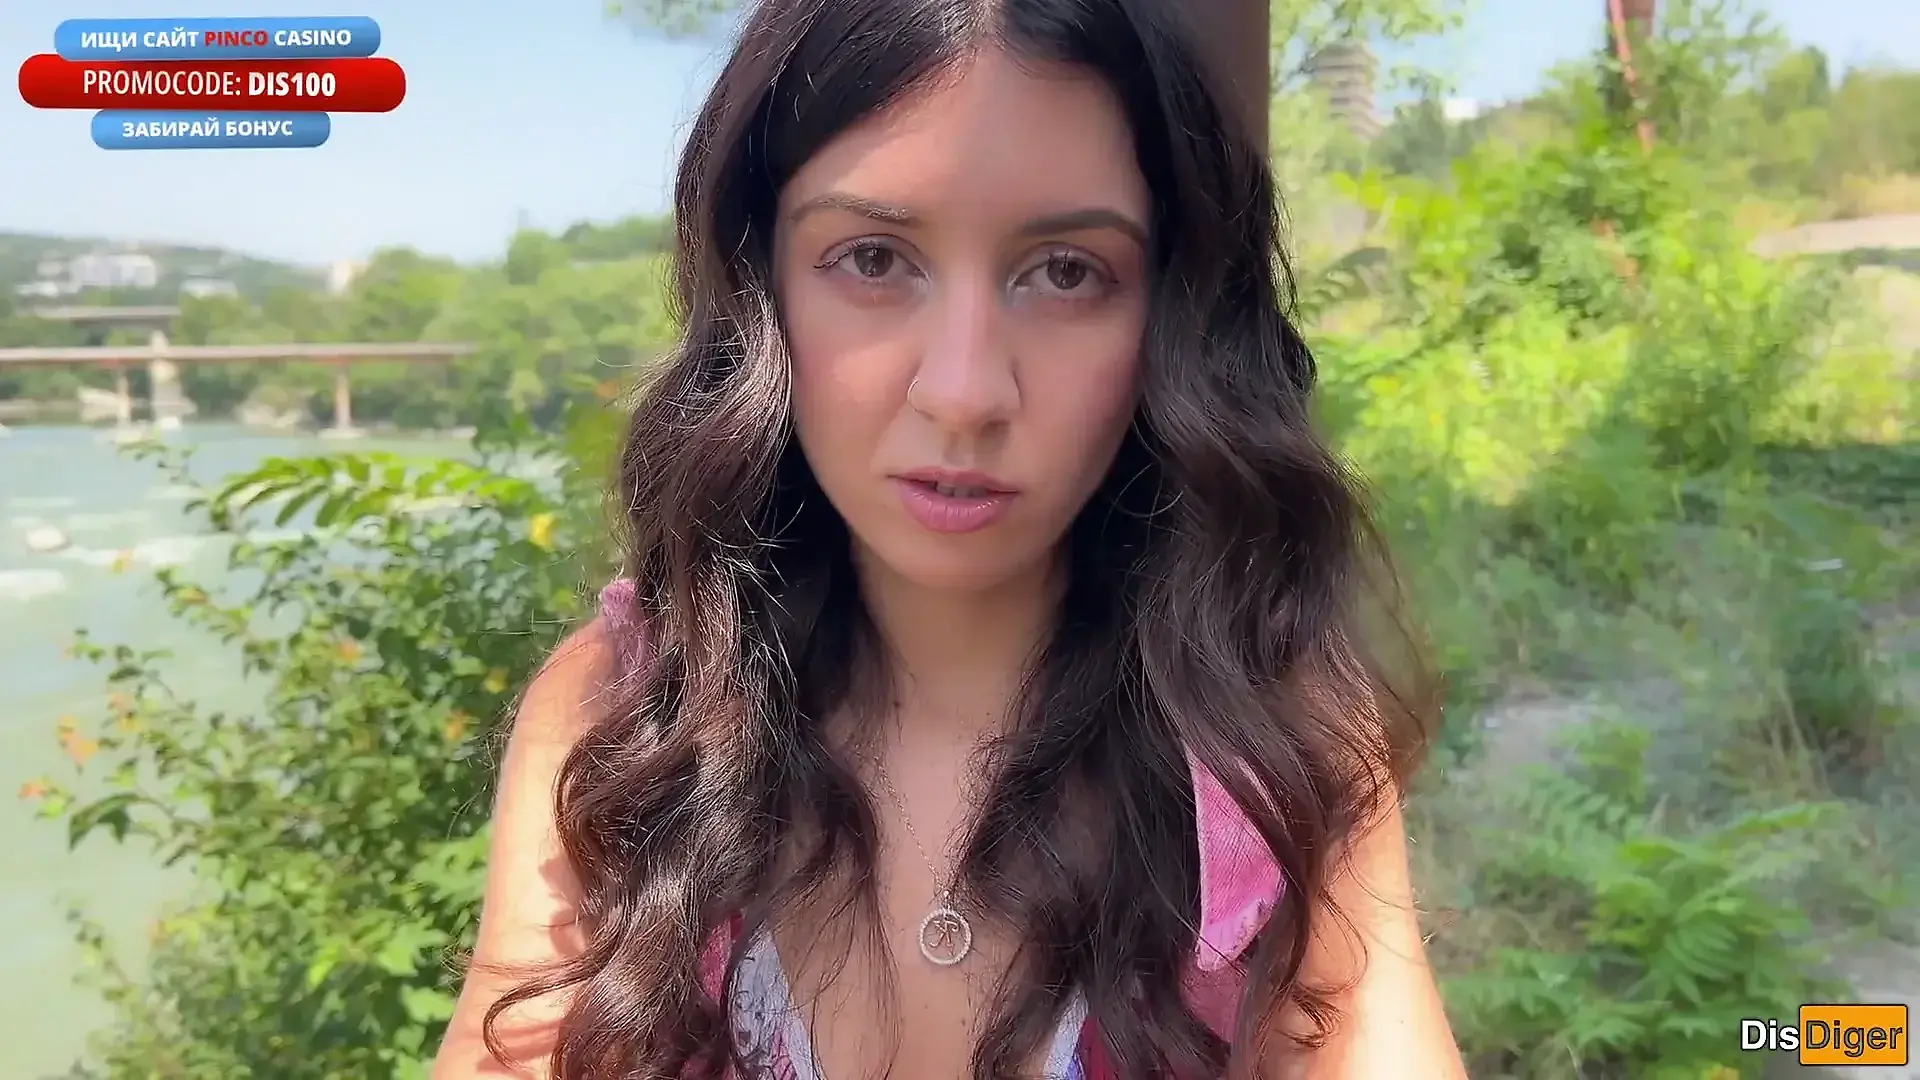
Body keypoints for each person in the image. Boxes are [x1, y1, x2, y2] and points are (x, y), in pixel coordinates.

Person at [433, 0, 1467, 1076]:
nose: (965, 392)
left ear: (1169, 316)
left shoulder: (1269, 732)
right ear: (761, 286)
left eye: (1066, 271)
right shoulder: (629, 713)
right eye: (874, 259)